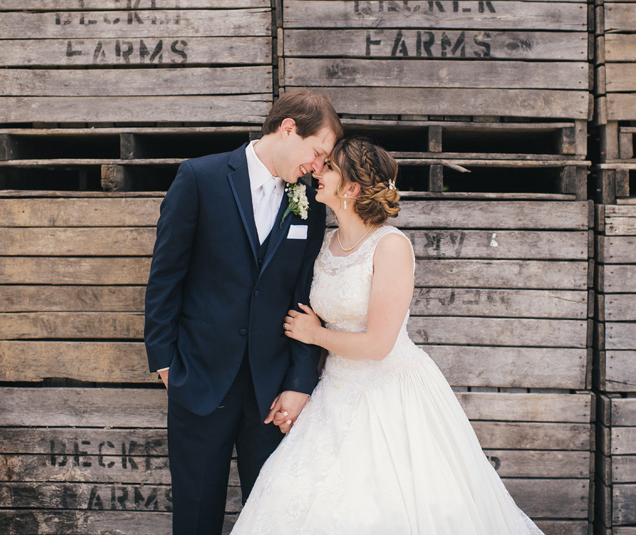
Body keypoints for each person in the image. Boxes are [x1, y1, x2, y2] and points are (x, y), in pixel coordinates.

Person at [231, 138, 543, 534]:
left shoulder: (390, 247)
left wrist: (314, 334)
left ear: (351, 189)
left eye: (327, 168)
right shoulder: (328, 243)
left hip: (388, 392)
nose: (317, 172)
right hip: (335, 391)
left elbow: (379, 345)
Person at [143, 90, 342, 535]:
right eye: (317, 153)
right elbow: (165, 276)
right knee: (195, 515)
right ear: (288, 129)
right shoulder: (200, 177)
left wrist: (298, 383)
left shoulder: (306, 201)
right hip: (199, 378)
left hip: (270, 393)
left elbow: (303, 294)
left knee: (269, 519)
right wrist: (165, 362)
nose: (317, 167)